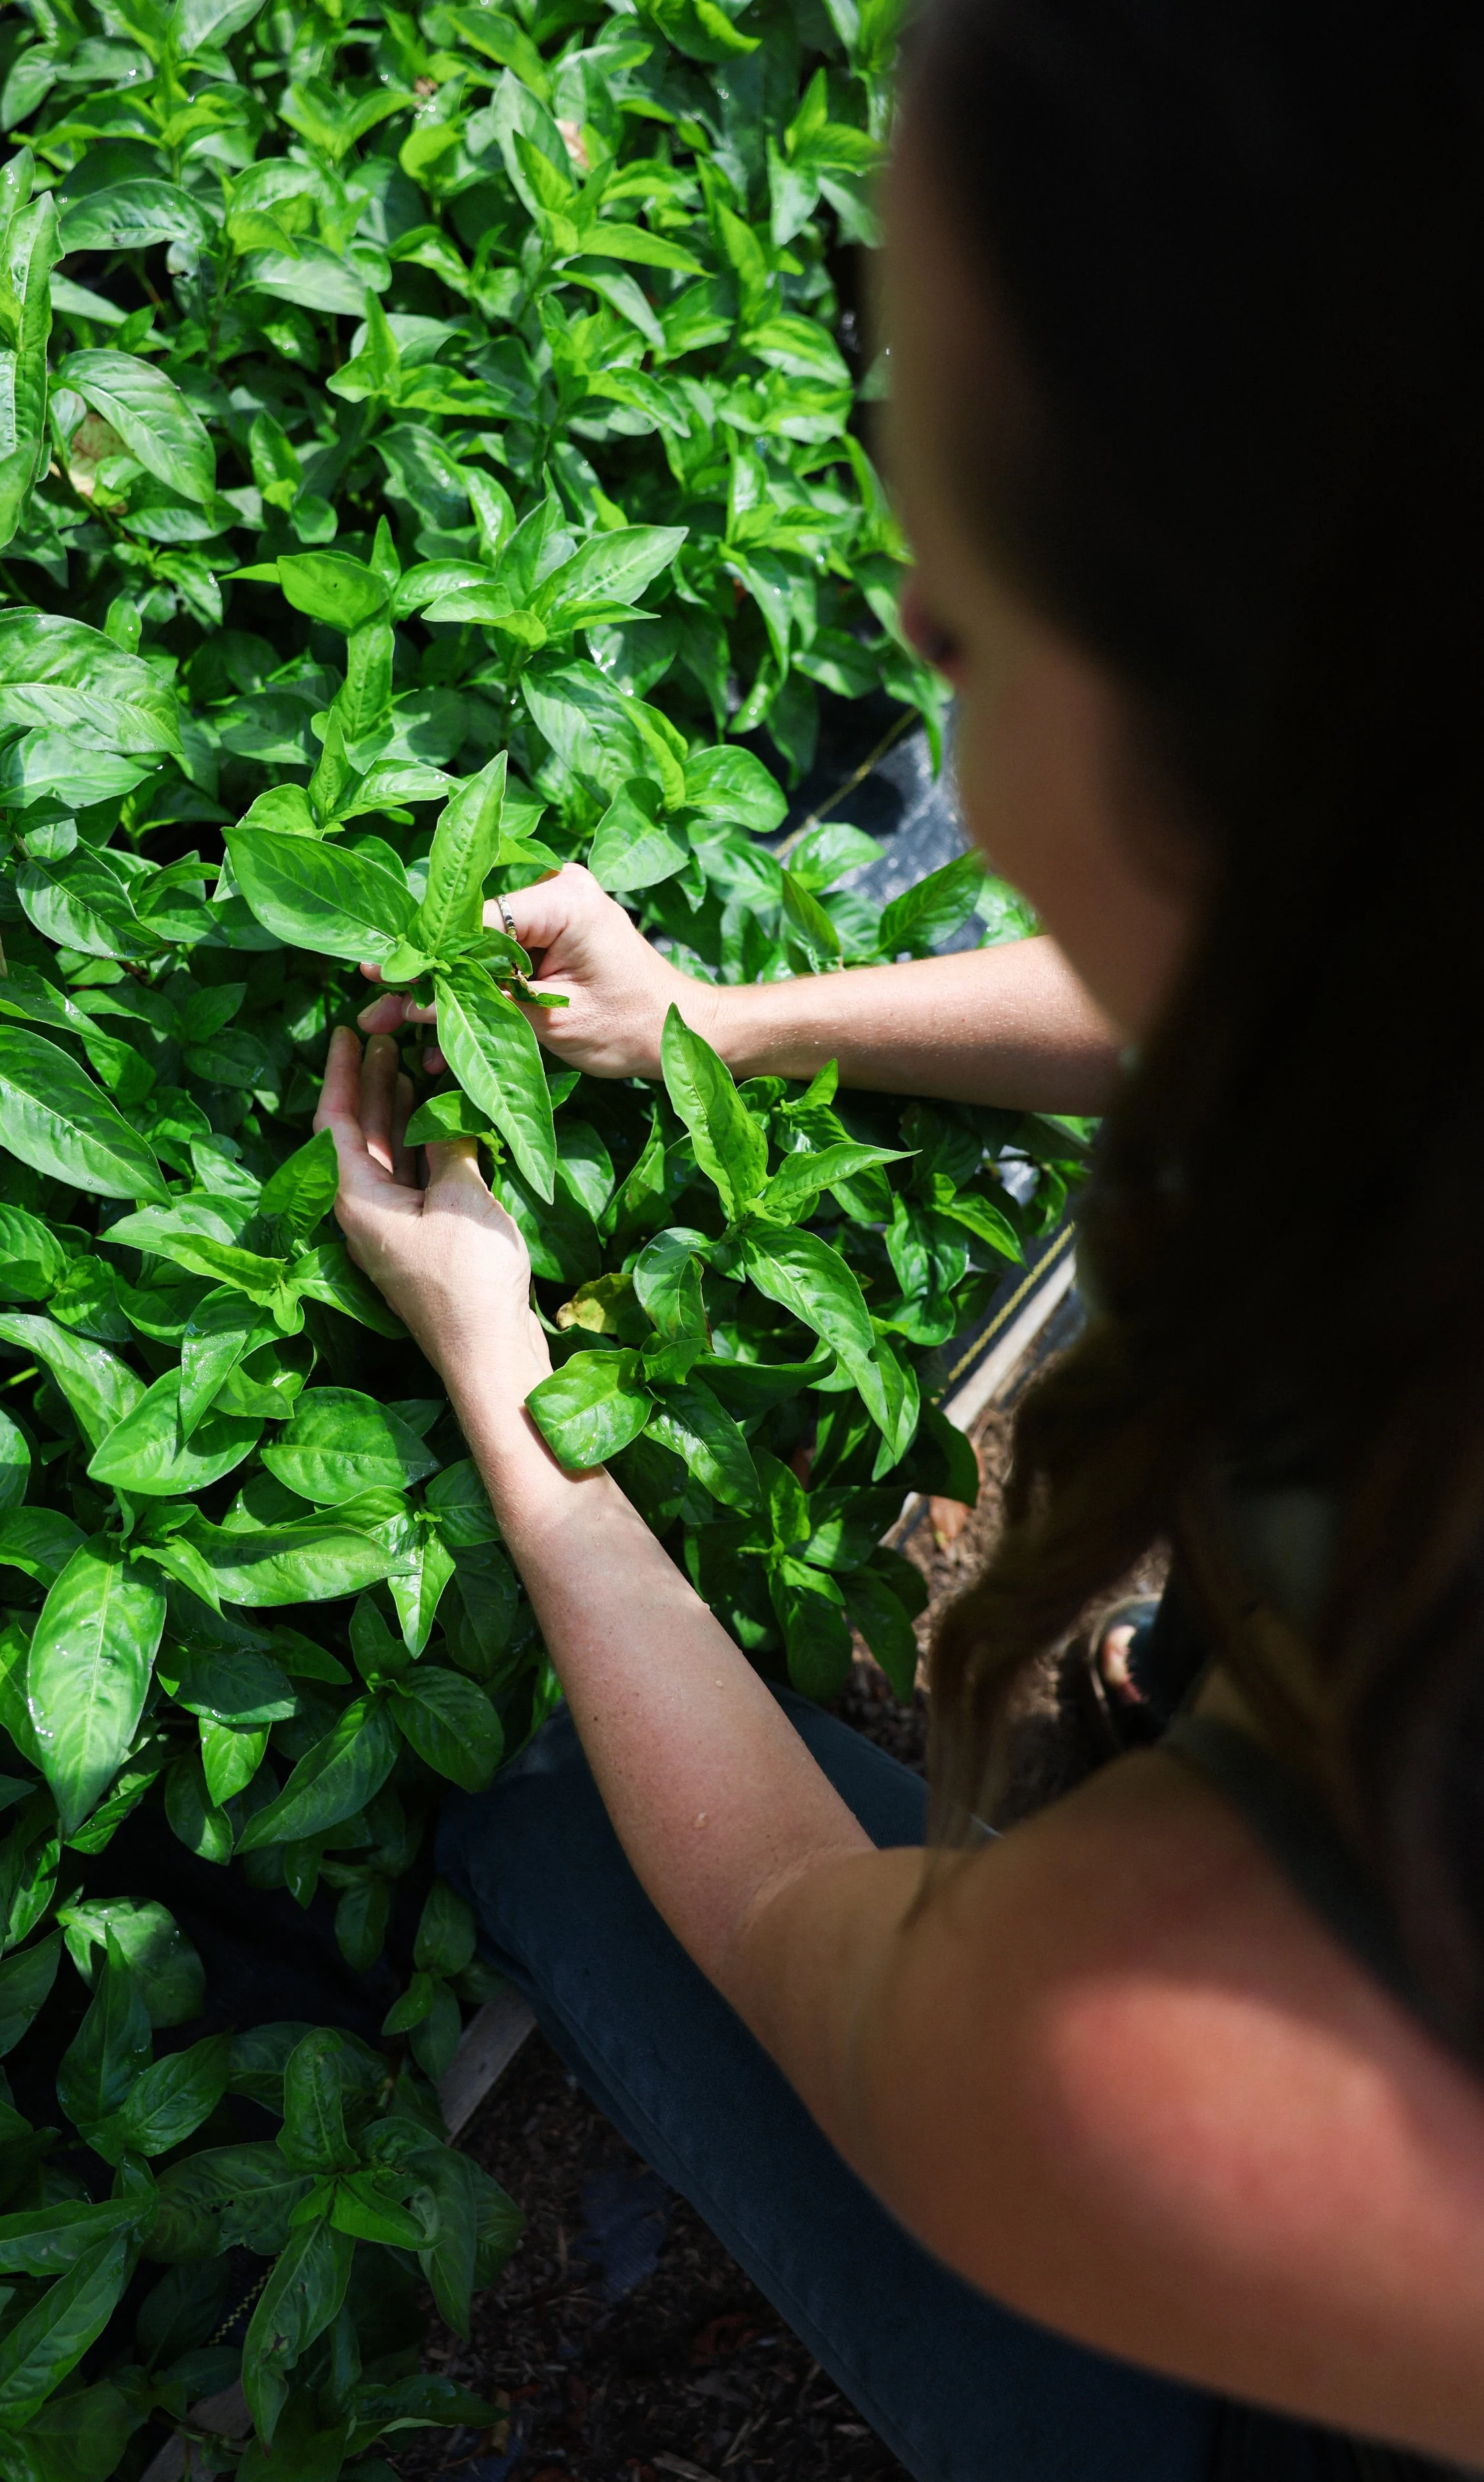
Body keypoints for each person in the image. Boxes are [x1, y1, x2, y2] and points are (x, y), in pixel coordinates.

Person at [312, 2, 1484, 2474]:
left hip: (1278, 2287)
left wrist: (507, 1392)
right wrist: (719, 1022)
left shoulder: (1231, 2032)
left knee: (554, 1811)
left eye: (944, 617)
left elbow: (803, 1953)